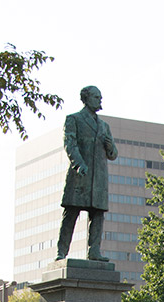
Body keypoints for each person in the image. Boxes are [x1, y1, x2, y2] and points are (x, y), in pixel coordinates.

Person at [56, 84, 117, 259]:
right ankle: (62, 252)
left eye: (100, 97)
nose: (100, 100)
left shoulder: (104, 126)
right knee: (71, 214)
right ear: (86, 98)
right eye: (97, 97)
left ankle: (94, 250)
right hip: (80, 175)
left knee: (97, 214)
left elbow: (113, 154)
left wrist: (109, 145)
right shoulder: (74, 119)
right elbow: (70, 143)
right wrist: (79, 163)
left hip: (98, 178)